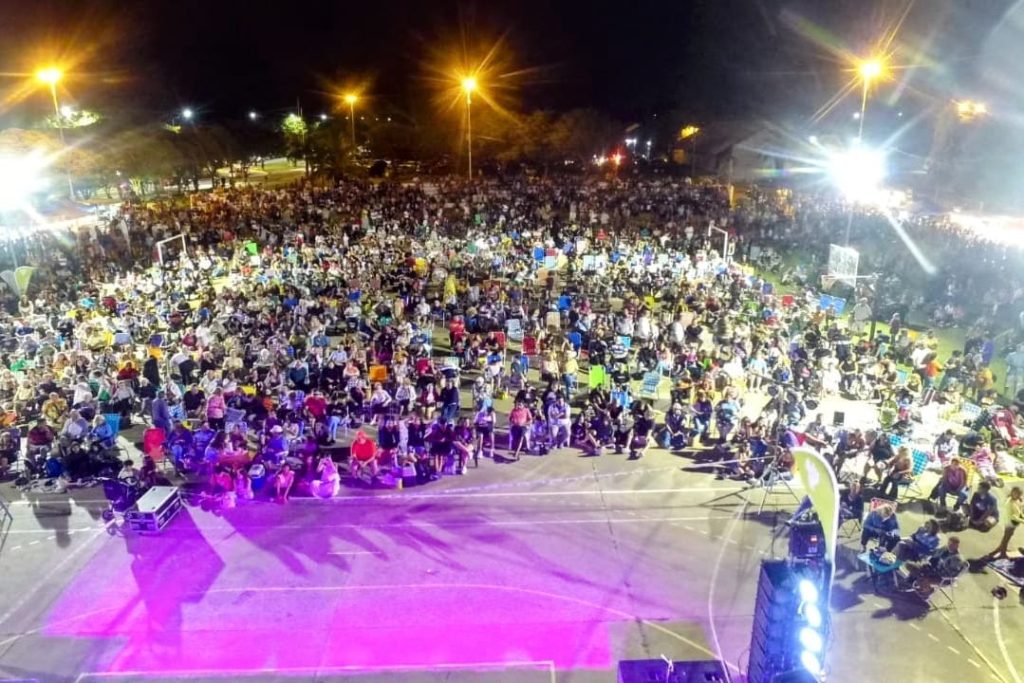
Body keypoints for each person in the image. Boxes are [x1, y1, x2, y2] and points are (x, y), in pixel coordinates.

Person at [902, 536, 966, 597]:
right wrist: (927, 563)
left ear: (957, 546)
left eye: (952, 545)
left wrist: (935, 572)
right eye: (949, 543)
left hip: (942, 577)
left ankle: (928, 590)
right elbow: (934, 556)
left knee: (924, 578)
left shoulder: (957, 559)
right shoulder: (945, 548)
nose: (949, 546)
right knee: (909, 565)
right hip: (932, 569)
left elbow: (952, 574)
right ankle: (916, 582)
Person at [988, 486, 1024, 559]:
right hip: (1010, 523)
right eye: (1017, 494)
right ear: (1012, 493)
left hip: (1014, 523)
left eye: (1019, 494)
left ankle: (999, 550)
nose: (1018, 495)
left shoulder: (1017, 500)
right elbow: (1013, 516)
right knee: (1006, 538)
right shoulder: (1010, 502)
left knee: (1007, 537)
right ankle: (1002, 552)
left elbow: (1019, 510)